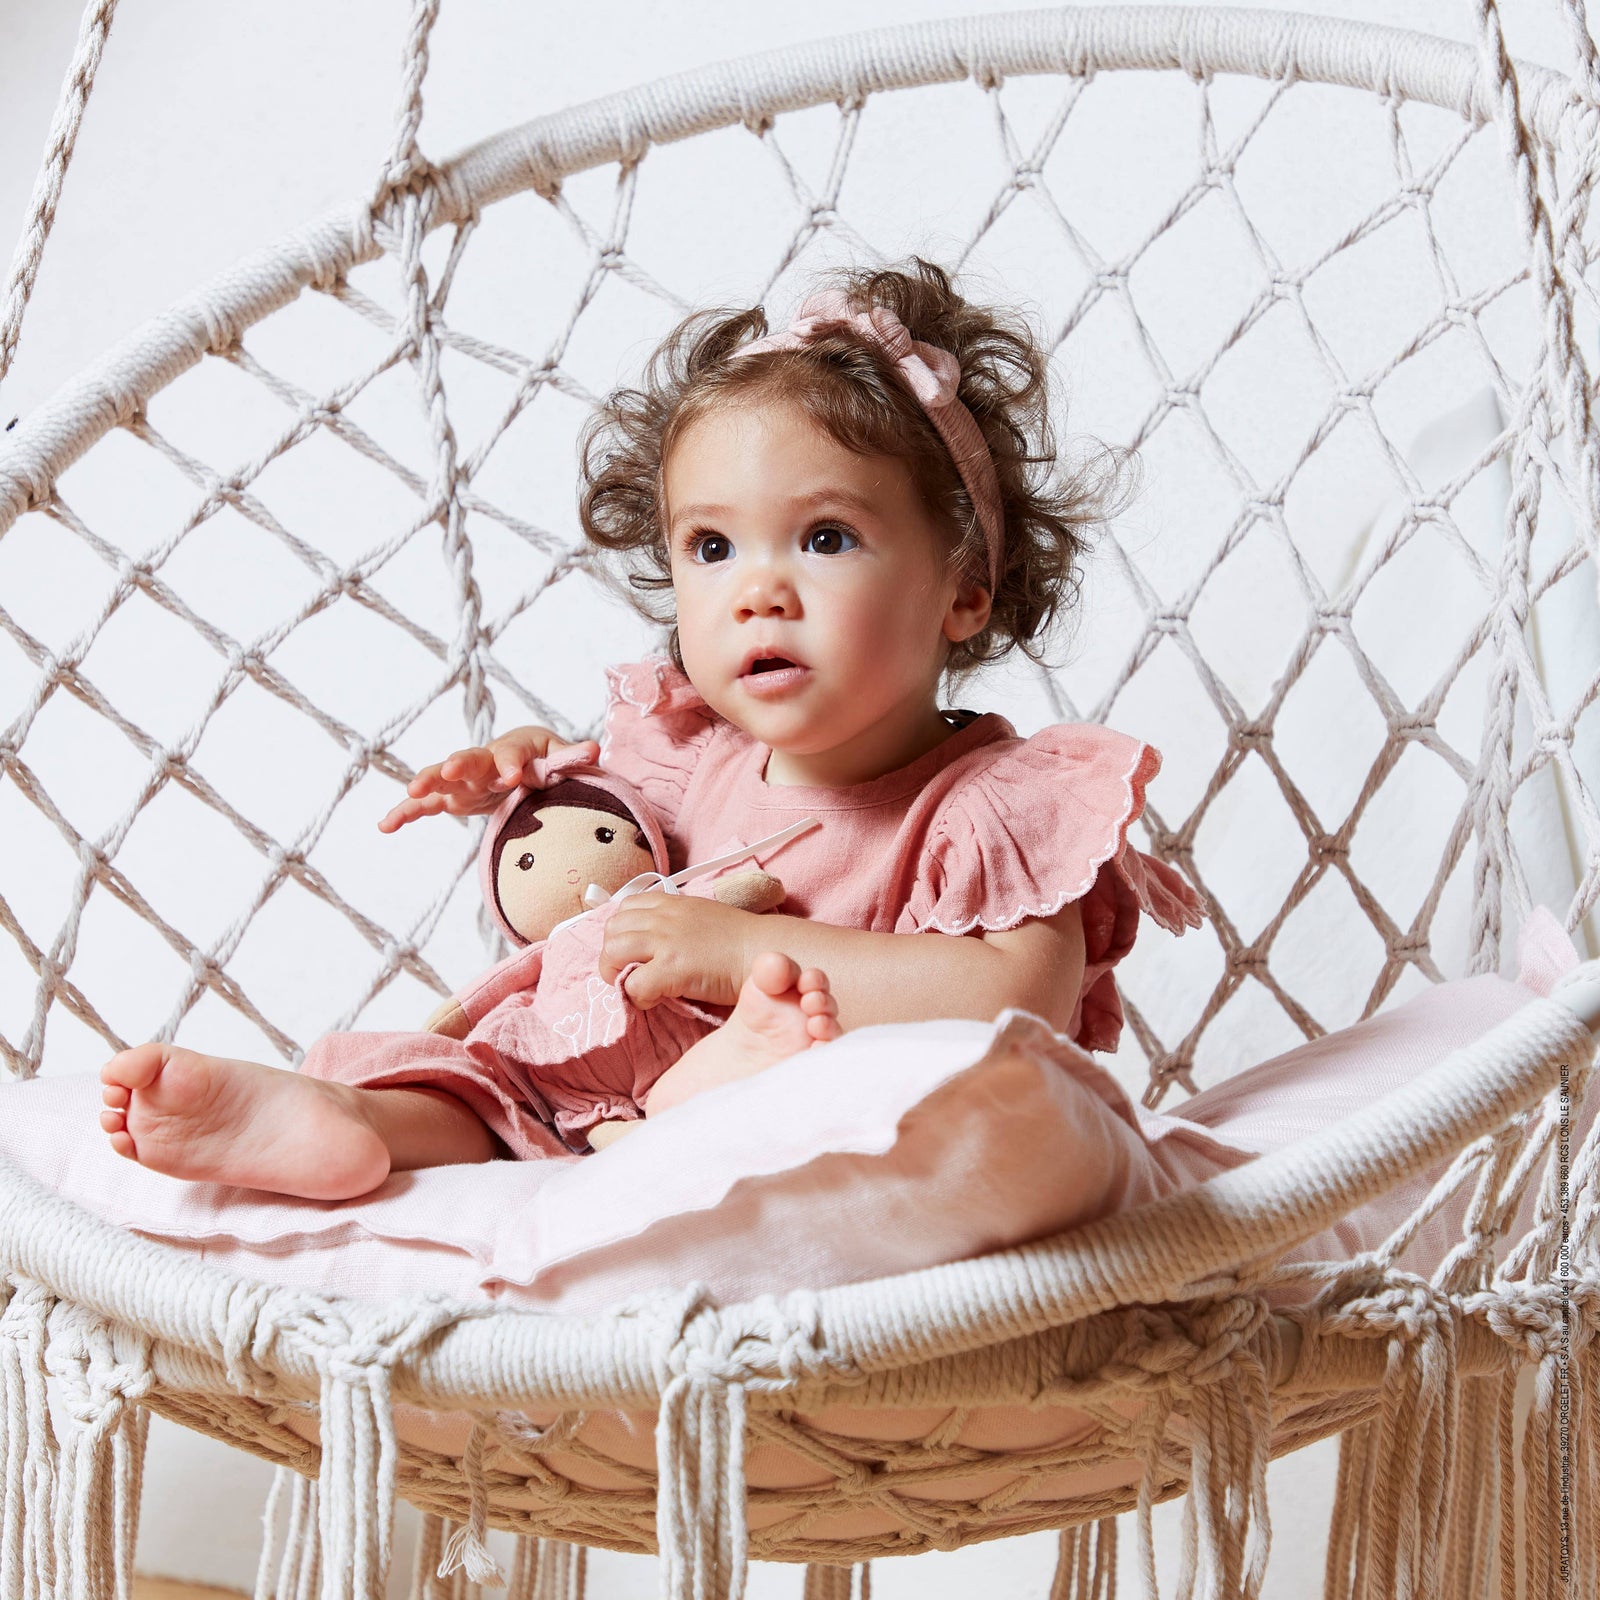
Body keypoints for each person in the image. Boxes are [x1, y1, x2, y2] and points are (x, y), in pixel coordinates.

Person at [96, 257, 1202, 1199]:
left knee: (817, 1095)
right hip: (595, 1097)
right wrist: (535, 772)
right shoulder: (694, 753)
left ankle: (695, 1115)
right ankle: (341, 1119)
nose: (757, 594)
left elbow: (1010, 999)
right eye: (711, 548)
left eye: (824, 537)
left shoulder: (995, 808)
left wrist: (737, 955)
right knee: (487, 1084)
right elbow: (606, 843)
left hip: (826, 1137)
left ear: (962, 589)